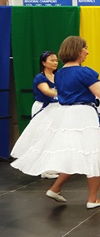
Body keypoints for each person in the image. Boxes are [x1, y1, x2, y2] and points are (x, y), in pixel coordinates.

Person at [11, 36, 100, 209]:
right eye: (85, 48)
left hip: (66, 115)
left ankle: (56, 188)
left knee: (74, 153)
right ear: (78, 50)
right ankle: (92, 198)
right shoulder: (85, 72)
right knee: (93, 154)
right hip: (84, 114)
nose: (87, 52)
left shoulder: (59, 74)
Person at [10, 51, 60, 179]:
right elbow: (46, 91)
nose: (55, 62)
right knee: (42, 137)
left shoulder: (58, 77)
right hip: (43, 108)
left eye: (56, 60)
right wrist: (65, 94)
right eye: (52, 60)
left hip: (56, 109)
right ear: (44, 63)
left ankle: (50, 165)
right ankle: (42, 167)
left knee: (53, 138)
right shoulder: (40, 77)